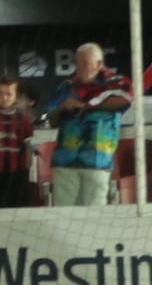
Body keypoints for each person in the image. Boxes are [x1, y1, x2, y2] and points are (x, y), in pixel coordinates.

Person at [43, 41, 131, 207]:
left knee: (94, 215)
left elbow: (123, 100)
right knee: (63, 215)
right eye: (78, 62)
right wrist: (63, 107)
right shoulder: (67, 86)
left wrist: (85, 106)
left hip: (98, 161)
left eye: (86, 62)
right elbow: (51, 118)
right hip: (65, 161)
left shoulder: (116, 83)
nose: (80, 67)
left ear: (99, 64)